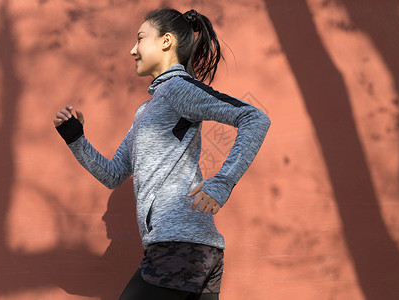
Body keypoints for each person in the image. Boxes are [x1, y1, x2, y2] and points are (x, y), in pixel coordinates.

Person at [53, 8, 270, 300]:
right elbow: (114, 174)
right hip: (189, 250)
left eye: (140, 39)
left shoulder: (177, 89)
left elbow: (254, 118)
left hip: (179, 246)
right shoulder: (146, 110)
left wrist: (222, 183)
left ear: (166, 41)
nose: (133, 50)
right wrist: (75, 137)